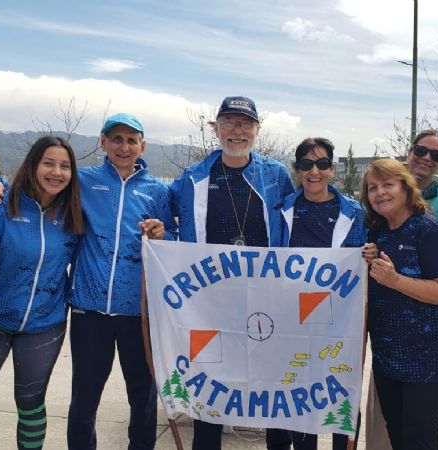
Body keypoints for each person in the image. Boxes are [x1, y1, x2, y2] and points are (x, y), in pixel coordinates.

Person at [0, 113, 175, 450]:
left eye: (132, 140)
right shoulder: (82, 181)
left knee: (142, 396)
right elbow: (36, 185)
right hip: (88, 309)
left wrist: (164, 233)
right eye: (116, 139)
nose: (124, 146)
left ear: (142, 145)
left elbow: (175, 232)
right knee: (84, 397)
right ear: (103, 142)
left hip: (138, 311)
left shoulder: (158, 190)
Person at [169, 96, 295, 450]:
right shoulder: (193, 177)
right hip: (209, 303)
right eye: (230, 122)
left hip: (266, 300)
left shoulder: (275, 175)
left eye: (245, 124)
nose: (237, 131)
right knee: (210, 388)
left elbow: (300, 219)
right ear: (215, 128)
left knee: (273, 386)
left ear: (257, 130)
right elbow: (156, 207)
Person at [0, 136, 84, 448]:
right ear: (33, 165)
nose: (57, 172)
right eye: (48, 163)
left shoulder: (74, 213)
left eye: (65, 166)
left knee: (30, 401)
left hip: (45, 324)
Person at [365, 129, 438, 450]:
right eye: (373, 187)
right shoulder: (378, 231)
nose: (380, 193)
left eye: (388, 185)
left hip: (424, 359)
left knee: (419, 440)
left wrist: (395, 280)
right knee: (397, 436)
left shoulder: (430, 230)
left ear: (406, 188)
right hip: (387, 356)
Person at [276, 137, 365, 450]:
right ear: (297, 169)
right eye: (306, 164)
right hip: (292, 320)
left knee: (340, 392)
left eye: (322, 163)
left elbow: (364, 263)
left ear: (332, 169)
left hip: (340, 321)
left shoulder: (354, 213)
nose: (314, 171)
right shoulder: (282, 210)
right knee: (300, 393)